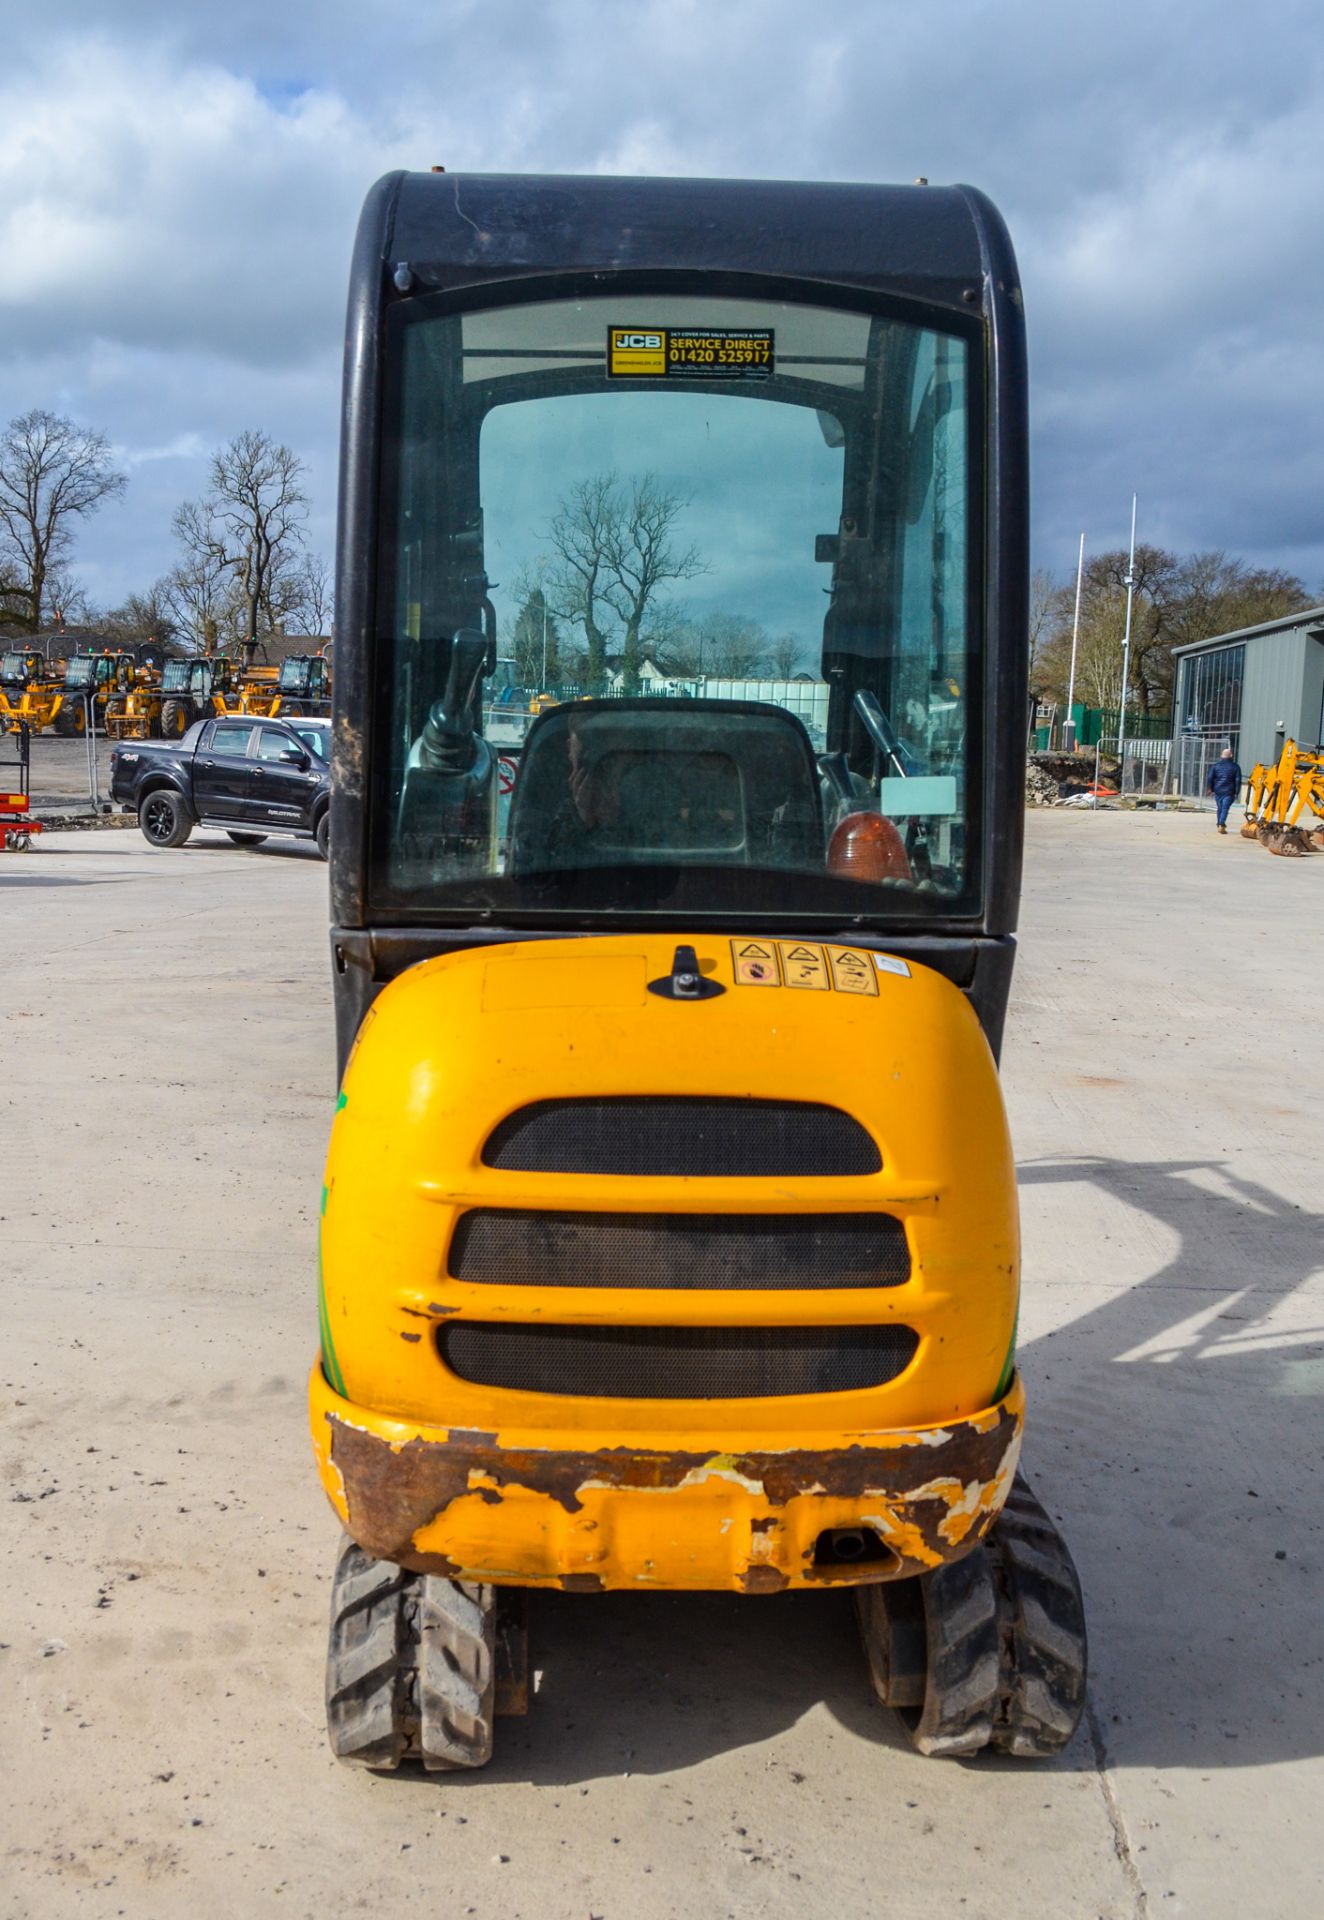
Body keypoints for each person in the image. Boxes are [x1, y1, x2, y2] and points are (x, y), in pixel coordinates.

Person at [1206, 746, 1243, 833]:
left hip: (1218, 790)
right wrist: (1237, 792)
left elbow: (1210, 777)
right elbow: (1238, 780)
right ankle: (1221, 824)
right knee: (1225, 808)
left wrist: (1210, 788)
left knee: (1220, 808)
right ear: (1231, 755)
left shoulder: (1215, 766)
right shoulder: (1235, 767)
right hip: (1229, 791)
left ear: (1221, 756)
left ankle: (1219, 823)